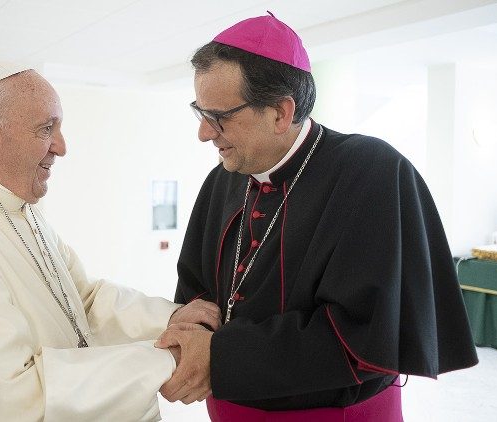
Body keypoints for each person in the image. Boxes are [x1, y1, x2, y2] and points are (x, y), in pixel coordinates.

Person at [156, 13, 479, 421]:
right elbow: (198, 287)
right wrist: (195, 331)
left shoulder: (371, 171)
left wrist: (220, 355)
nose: (204, 133)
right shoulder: (223, 180)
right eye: (199, 112)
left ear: (280, 112)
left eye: (219, 116)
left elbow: (364, 335)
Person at [0, 62, 221, 421]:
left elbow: (84, 300)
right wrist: (166, 361)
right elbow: (15, 395)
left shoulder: (20, 206)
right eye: (47, 129)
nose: (61, 147)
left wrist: (170, 317)